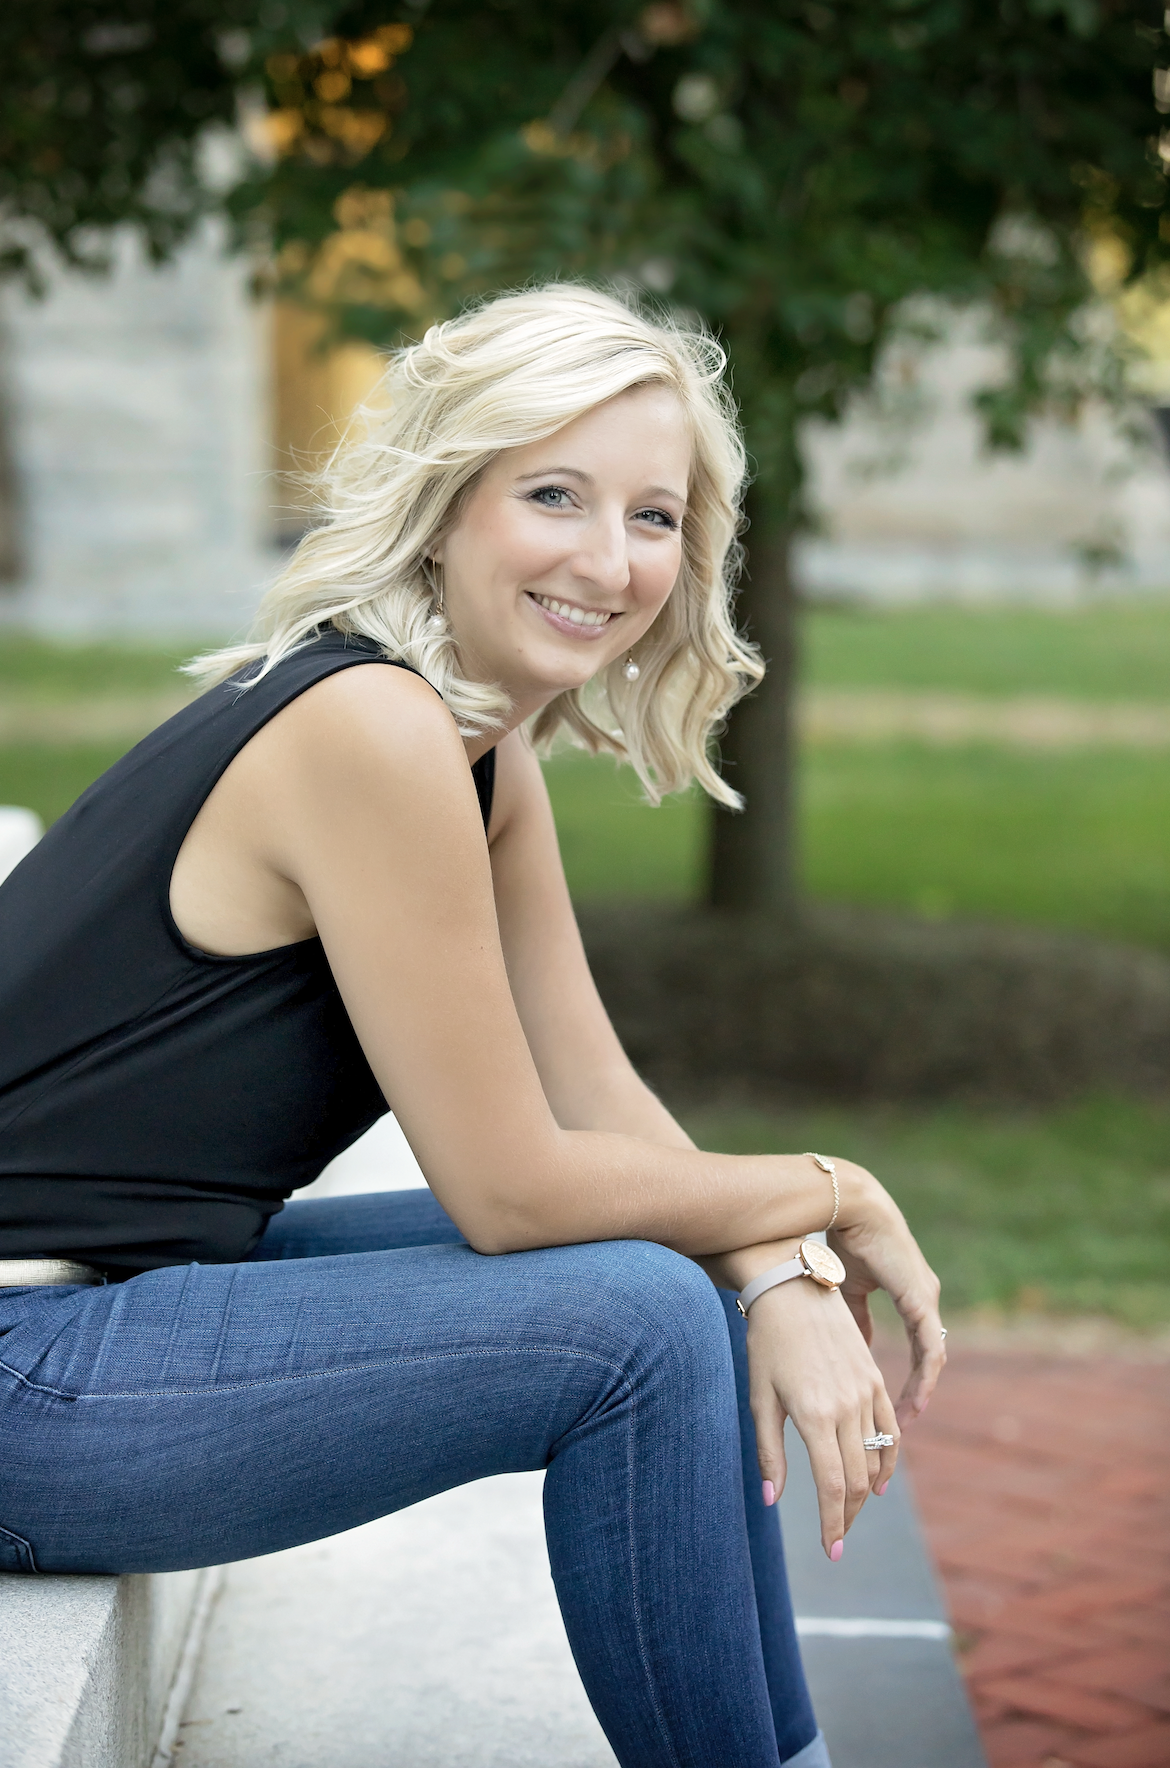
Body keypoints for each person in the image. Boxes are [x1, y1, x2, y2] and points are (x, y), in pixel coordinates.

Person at [0, 285, 944, 1768]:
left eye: (652, 516)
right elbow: (512, 1192)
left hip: (114, 1305)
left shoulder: (475, 753)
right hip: (30, 1367)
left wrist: (771, 1265)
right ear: (447, 504)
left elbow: (596, 1101)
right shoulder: (367, 730)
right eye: (553, 495)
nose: (608, 560)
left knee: (681, 1279)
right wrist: (835, 1190)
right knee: (632, 1318)